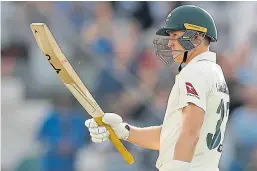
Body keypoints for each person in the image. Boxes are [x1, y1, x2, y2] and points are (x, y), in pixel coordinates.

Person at [85, 5, 230, 171]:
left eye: (175, 36)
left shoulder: (195, 71)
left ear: (197, 38)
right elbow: (171, 136)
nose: (170, 44)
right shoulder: (213, 71)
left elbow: (191, 131)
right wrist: (124, 131)